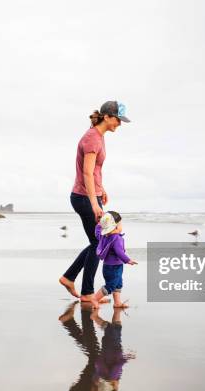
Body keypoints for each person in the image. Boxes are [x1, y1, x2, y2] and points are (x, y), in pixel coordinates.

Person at [59, 101, 131, 304]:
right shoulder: (92, 139)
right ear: (107, 117)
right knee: (98, 243)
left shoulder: (98, 137)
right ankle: (87, 292)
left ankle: (69, 278)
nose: (119, 123)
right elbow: (87, 172)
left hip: (90, 195)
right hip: (84, 197)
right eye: (118, 119)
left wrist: (102, 189)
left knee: (96, 242)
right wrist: (94, 202)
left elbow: (95, 172)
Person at [91, 211, 137, 308]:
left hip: (108, 267)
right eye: (120, 223)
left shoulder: (104, 236)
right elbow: (119, 252)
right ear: (115, 226)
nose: (122, 226)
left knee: (118, 284)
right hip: (115, 267)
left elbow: (97, 232)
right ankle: (95, 299)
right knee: (111, 285)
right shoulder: (116, 238)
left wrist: (100, 223)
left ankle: (117, 302)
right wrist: (128, 260)